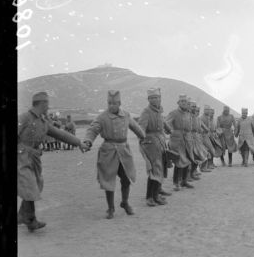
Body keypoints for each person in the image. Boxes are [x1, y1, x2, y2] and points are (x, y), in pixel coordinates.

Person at [18, 92, 89, 231]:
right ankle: (30, 219)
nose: (48, 106)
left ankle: (22, 214)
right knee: (30, 186)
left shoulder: (44, 123)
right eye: (47, 103)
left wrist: (79, 143)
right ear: (42, 103)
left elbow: (60, 134)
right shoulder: (24, 117)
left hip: (35, 158)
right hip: (22, 157)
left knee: (36, 185)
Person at [83, 90, 146, 219]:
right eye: (109, 103)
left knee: (126, 179)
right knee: (108, 181)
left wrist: (142, 136)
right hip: (108, 152)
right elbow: (93, 129)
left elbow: (135, 127)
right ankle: (110, 208)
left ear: (119, 103)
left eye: (114, 103)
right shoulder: (102, 117)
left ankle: (125, 202)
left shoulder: (126, 115)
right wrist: (88, 141)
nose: (111, 105)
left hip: (123, 151)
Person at [138, 88, 172, 207]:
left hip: (161, 143)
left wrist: (170, 130)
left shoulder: (159, 112)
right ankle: (150, 197)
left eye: (156, 97)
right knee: (155, 170)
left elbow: (163, 124)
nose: (154, 100)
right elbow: (141, 128)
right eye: (151, 98)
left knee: (160, 168)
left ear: (160, 98)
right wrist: (143, 142)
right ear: (148, 99)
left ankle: (156, 193)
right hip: (150, 144)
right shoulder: (146, 112)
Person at [165, 95, 193, 191]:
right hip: (176, 140)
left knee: (187, 159)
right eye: (181, 101)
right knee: (179, 161)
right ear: (178, 103)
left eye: (185, 101)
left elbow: (189, 127)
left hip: (187, 140)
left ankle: (184, 181)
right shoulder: (173, 113)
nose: (183, 103)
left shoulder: (188, 114)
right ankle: (176, 183)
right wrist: (171, 131)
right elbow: (166, 123)